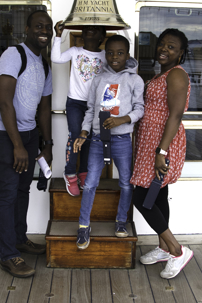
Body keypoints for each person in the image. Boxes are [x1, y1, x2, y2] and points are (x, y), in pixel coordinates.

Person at [0, 10, 53, 278]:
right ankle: (8, 255)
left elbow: (45, 108)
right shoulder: (14, 55)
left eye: (47, 27)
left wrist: (47, 143)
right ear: (27, 29)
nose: (43, 31)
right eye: (38, 26)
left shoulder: (44, 63)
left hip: (29, 133)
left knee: (23, 191)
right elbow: (4, 102)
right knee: (8, 193)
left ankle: (20, 239)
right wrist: (18, 145)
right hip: (3, 134)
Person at [130, 28, 192, 279]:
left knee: (142, 197)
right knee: (158, 195)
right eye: (162, 45)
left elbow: (175, 115)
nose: (164, 50)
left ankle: (177, 250)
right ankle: (163, 247)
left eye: (171, 47)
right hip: (150, 142)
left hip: (162, 144)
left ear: (181, 53)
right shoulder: (162, 74)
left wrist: (162, 151)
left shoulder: (176, 75)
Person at [73, 35, 144, 249]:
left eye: (120, 53)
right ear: (106, 55)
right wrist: (84, 132)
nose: (115, 57)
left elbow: (140, 108)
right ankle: (84, 226)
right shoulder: (98, 79)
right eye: (111, 53)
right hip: (96, 139)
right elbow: (91, 109)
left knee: (125, 182)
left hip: (122, 139)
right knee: (91, 182)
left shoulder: (134, 80)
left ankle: (121, 221)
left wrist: (123, 119)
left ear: (127, 55)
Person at [51, 21, 106, 196]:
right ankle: (70, 173)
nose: (91, 29)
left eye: (96, 28)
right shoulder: (75, 51)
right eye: (88, 27)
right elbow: (56, 58)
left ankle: (83, 172)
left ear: (102, 37)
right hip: (75, 102)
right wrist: (58, 36)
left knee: (89, 138)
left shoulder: (106, 56)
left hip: (94, 104)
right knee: (75, 135)